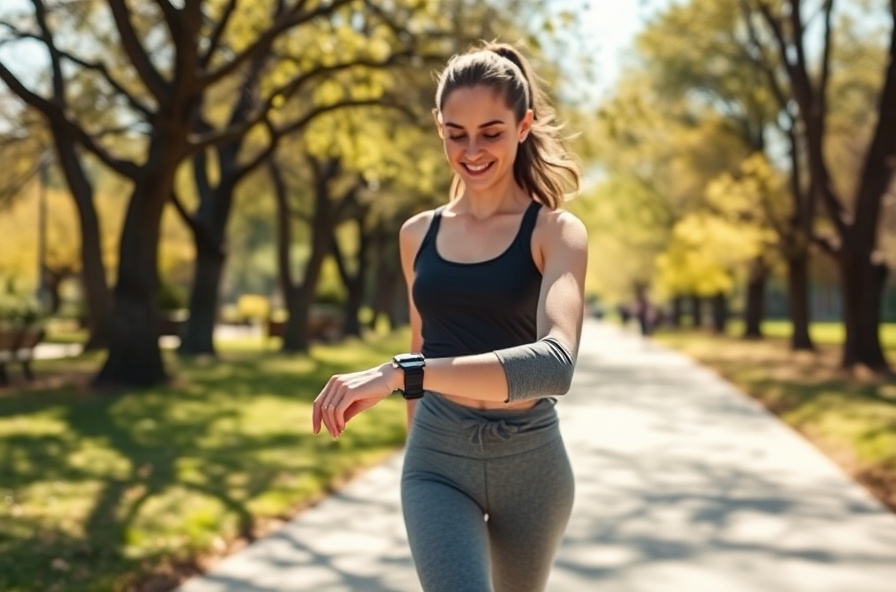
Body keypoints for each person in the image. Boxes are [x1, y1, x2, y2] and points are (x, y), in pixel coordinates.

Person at [312, 41, 588, 592]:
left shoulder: (555, 232)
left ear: (524, 125)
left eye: (491, 132)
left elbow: (554, 366)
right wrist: (415, 429)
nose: (472, 150)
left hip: (531, 464)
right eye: (455, 133)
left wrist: (401, 373)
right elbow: (422, 343)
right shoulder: (418, 235)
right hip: (437, 461)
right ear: (439, 127)